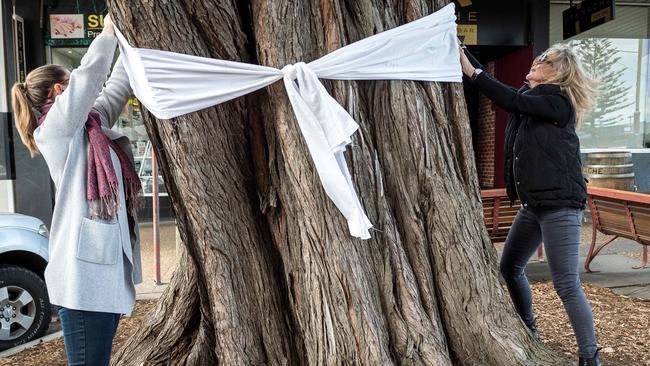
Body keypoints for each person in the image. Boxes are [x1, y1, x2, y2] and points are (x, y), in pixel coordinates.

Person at [11, 14, 142, 366]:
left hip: (102, 279)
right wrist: (108, 33)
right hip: (82, 285)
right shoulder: (54, 131)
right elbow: (90, 80)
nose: (87, 93)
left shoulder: (91, 124)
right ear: (58, 91)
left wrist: (130, 44)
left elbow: (114, 88)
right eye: (71, 83)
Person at [459, 44, 602, 366]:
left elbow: (508, 99)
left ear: (558, 71)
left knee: (566, 283)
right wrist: (463, 51)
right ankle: (528, 331)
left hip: (561, 205)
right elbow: (511, 95)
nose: (536, 62)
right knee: (509, 267)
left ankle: (590, 357)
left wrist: (471, 70)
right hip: (534, 205)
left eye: (544, 60)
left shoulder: (556, 102)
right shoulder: (532, 97)